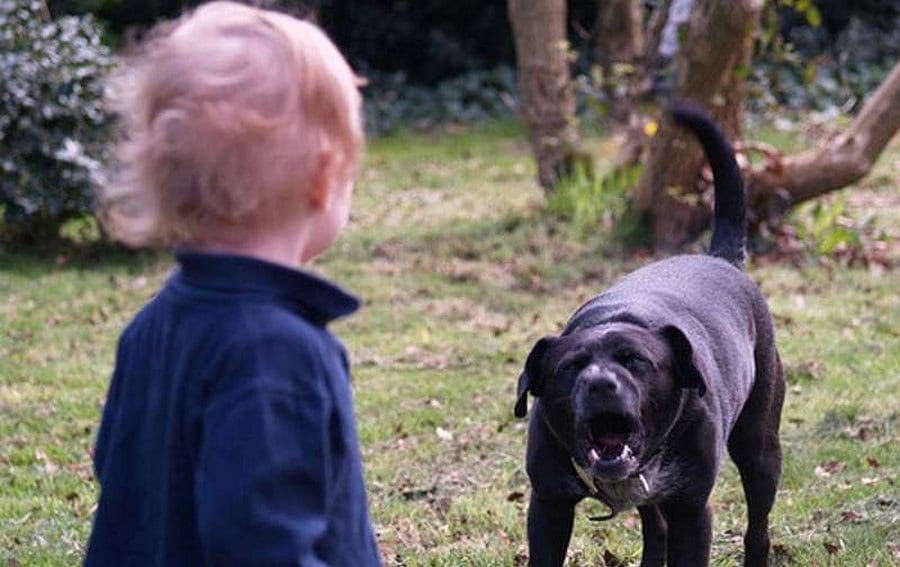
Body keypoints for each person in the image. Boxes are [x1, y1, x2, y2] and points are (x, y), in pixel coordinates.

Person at [84, 2, 380, 565]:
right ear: (323, 179)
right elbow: (265, 546)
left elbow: (117, 469)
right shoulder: (280, 355)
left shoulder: (151, 326)